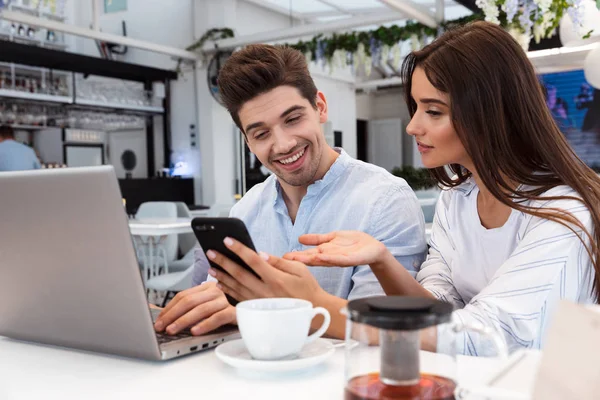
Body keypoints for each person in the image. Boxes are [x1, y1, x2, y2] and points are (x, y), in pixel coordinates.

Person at [210, 21, 600, 356]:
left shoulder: (564, 211)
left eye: (433, 111)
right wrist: (382, 260)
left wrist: (316, 307)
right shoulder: (458, 199)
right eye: (415, 108)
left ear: (490, 110)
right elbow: (436, 312)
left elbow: (488, 336)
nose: (413, 126)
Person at [153, 44, 427, 339]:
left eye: (293, 119)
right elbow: (219, 302)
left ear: (320, 107)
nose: (282, 145)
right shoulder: (244, 211)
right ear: (247, 142)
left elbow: (384, 333)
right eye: (261, 134)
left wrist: (259, 313)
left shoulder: (385, 200)